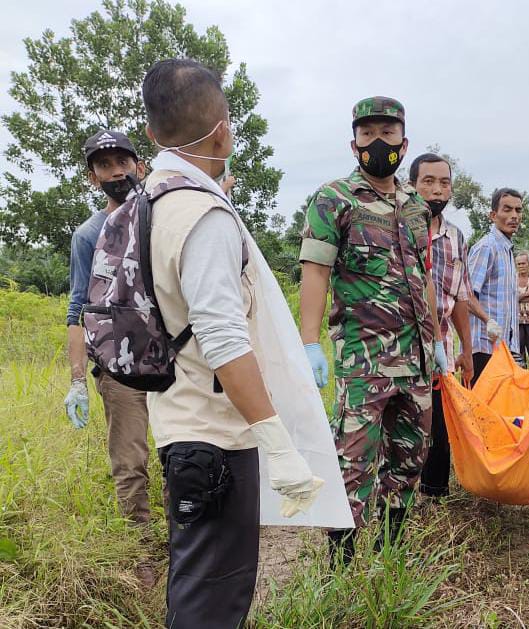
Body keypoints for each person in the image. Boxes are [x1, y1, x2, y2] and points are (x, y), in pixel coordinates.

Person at [141, 59, 319, 628]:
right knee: (214, 599)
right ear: (223, 129)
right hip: (215, 436)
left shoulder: (149, 202)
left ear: (151, 134)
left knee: (198, 588)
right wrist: (280, 445)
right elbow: (222, 337)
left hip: (178, 421)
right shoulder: (203, 215)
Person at [298, 97, 447, 560]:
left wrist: (439, 340)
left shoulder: (416, 206)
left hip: (417, 359)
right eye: (368, 134)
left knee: (409, 460)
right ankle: (340, 563)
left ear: (405, 141)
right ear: (353, 142)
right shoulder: (333, 200)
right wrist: (309, 342)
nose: (378, 142)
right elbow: (315, 271)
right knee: (354, 461)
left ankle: (389, 552)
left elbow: (423, 277)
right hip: (365, 361)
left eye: (388, 132)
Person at [64, 129, 155, 586]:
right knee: (129, 462)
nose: (116, 171)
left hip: (173, 360)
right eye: (104, 165)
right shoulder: (88, 235)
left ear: (140, 164)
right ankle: (142, 556)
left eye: (123, 161)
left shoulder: (161, 213)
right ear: (92, 176)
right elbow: (77, 308)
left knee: (188, 453)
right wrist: (78, 379)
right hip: (118, 366)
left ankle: (194, 543)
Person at [410, 153, 474, 499]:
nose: (437, 190)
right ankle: (394, 499)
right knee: (406, 428)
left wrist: (466, 348)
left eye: (444, 182)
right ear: (412, 185)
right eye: (428, 182)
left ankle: (432, 498)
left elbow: (460, 296)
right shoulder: (400, 230)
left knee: (439, 428)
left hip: (443, 352)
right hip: (403, 351)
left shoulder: (456, 238)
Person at [468, 187, 523, 383]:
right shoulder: (487, 247)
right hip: (484, 347)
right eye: (507, 209)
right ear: (493, 215)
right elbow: (466, 295)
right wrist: (487, 320)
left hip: (505, 348)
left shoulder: (507, 250)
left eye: (518, 210)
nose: (514, 216)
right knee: (482, 410)